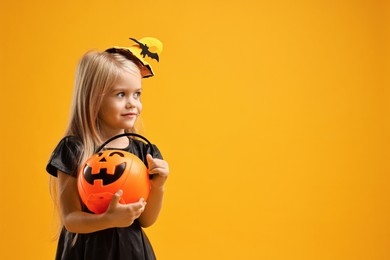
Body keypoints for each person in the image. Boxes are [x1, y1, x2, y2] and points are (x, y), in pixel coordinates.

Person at [46, 37, 169, 260]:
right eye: (120, 94)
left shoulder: (145, 153)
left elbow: (146, 220)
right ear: (94, 100)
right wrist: (108, 220)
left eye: (137, 94)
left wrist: (158, 186)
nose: (132, 103)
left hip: (131, 251)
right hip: (85, 252)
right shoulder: (74, 150)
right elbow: (71, 219)